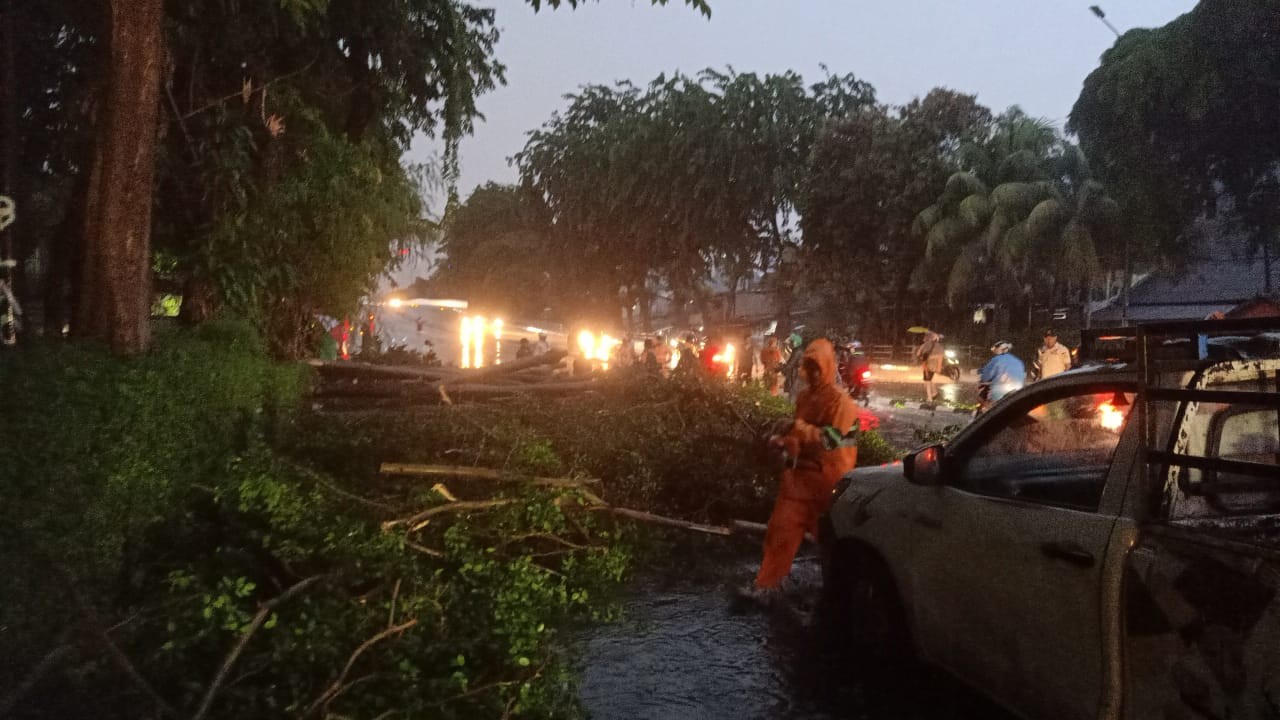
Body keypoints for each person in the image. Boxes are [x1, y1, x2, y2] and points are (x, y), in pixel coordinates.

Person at [746, 339, 860, 599]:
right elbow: (800, 436)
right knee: (779, 535)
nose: (813, 373)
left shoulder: (841, 403)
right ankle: (765, 590)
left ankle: (837, 599)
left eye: (816, 367)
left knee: (833, 548)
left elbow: (834, 439)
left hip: (829, 485)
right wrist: (783, 443)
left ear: (828, 367)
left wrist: (798, 430)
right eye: (809, 366)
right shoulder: (804, 397)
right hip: (798, 483)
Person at [979, 340, 1027, 405]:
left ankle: (988, 411)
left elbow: (986, 376)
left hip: (999, 393)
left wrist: (982, 379)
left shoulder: (996, 360)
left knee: (980, 397)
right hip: (1017, 394)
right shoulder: (1019, 362)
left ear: (999, 349)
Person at [915, 330, 944, 404]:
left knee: (927, 381)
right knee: (928, 380)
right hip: (931, 365)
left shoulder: (925, 345)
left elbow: (918, 354)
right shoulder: (938, 346)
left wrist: (926, 356)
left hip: (928, 365)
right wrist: (938, 367)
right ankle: (934, 393)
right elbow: (940, 357)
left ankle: (930, 397)